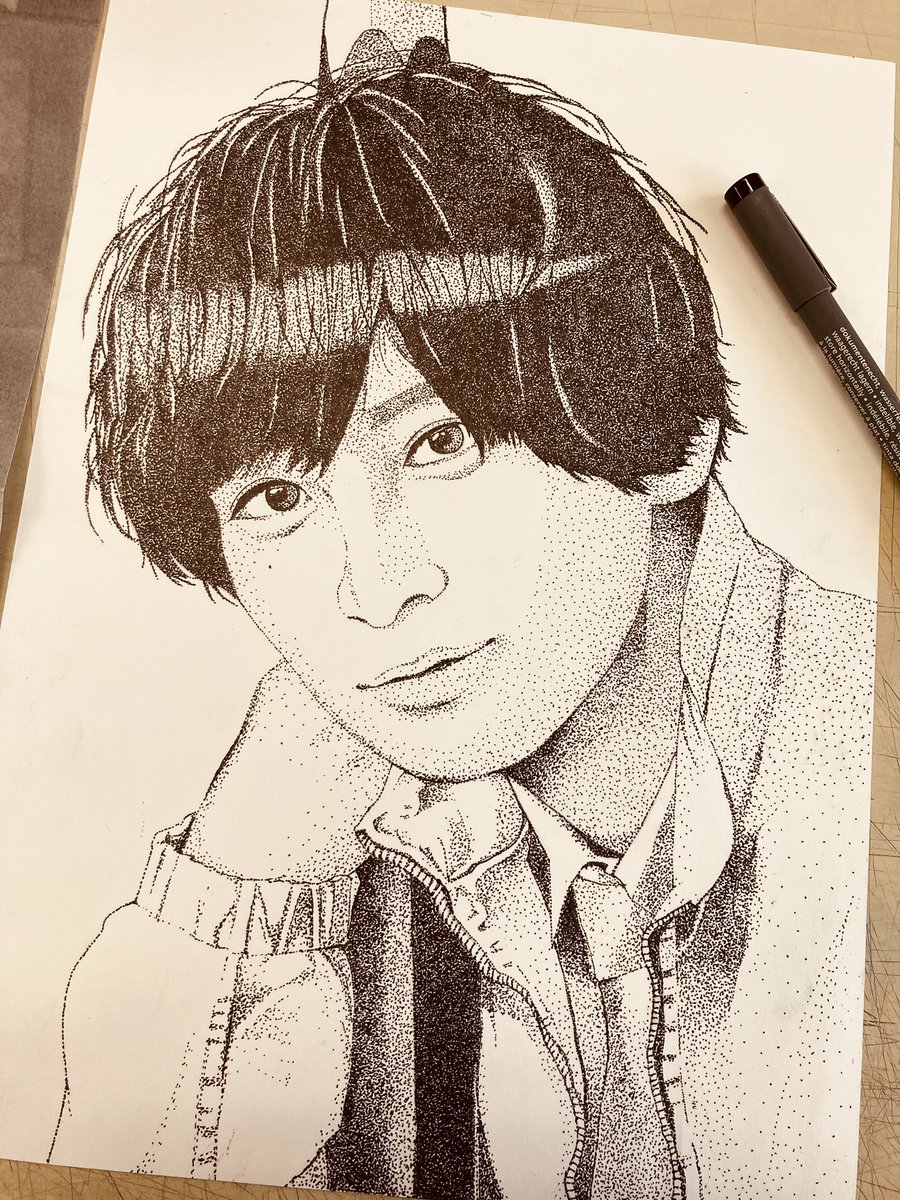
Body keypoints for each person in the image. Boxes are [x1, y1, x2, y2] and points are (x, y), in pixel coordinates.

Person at [49, 13, 874, 1200]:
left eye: (442, 442)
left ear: (671, 432)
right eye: (277, 498)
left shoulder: (856, 763)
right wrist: (235, 888)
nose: (377, 589)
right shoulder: (347, 842)